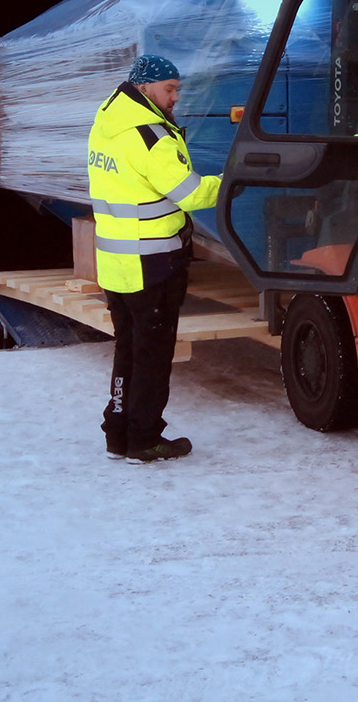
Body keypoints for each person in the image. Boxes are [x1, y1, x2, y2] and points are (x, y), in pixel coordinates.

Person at [86, 54, 220, 463]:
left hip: (115, 262)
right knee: (153, 354)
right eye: (170, 89)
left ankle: (118, 432)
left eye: (177, 88)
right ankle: (144, 439)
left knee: (128, 347)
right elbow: (192, 194)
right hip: (154, 263)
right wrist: (231, 181)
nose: (176, 97)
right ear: (144, 88)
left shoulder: (106, 124)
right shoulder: (151, 136)